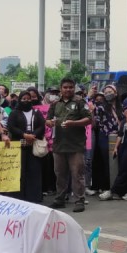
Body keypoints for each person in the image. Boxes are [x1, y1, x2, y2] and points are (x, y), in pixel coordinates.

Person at [48, 77, 91, 212]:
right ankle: (60, 199)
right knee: (60, 174)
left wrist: (74, 123)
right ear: (61, 89)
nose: (68, 90)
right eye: (65, 87)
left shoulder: (79, 102)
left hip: (76, 145)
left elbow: (89, 119)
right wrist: (49, 123)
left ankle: (79, 200)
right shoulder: (55, 104)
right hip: (59, 145)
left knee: (77, 174)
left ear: (74, 88)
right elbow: (48, 120)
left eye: (70, 87)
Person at [5, 88, 47, 205]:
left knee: (34, 172)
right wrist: (23, 135)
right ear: (19, 100)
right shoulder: (14, 113)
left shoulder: (36, 112)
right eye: (24, 99)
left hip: (33, 145)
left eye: (28, 99)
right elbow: (11, 127)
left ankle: (34, 197)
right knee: (19, 172)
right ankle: (19, 197)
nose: (26, 101)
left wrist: (33, 135)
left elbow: (42, 126)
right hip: (18, 147)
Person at [100, 93, 127, 202]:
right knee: (125, 168)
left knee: (126, 168)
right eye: (126, 108)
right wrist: (116, 147)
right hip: (124, 145)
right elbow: (120, 134)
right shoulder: (123, 120)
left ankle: (114, 190)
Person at [89, 86, 121, 196]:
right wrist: (92, 110)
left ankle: (118, 186)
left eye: (110, 92)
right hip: (105, 136)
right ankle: (107, 186)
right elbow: (95, 123)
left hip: (120, 137)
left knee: (120, 161)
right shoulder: (101, 107)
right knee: (106, 161)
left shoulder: (121, 107)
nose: (108, 94)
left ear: (116, 93)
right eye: (106, 92)